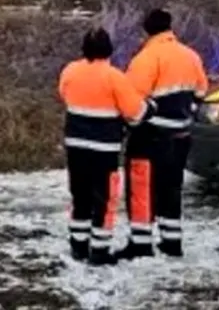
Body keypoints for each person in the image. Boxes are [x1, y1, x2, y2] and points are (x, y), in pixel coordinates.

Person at [57, 27, 153, 266]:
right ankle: (99, 251)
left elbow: (64, 95)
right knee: (103, 199)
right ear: (109, 49)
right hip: (104, 150)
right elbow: (136, 113)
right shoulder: (114, 77)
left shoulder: (70, 71)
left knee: (80, 196)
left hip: (76, 145)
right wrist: (151, 107)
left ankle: (78, 246)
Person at [118, 9, 209, 259]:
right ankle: (172, 240)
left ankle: (140, 242)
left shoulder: (146, 58)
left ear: (146, 31)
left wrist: (127, 124)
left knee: (141, 187)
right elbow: (202, 91)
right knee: (171, 187)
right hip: (181, 134)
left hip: (150, 135)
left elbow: (132, 98)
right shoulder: (190, 55)